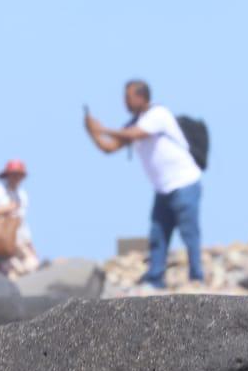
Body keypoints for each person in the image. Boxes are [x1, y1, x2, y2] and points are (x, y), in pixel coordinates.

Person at [84, 79, 204, 288]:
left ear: (141, 96)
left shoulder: (158, 115)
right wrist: (92, 132)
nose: (125, 102)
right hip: (162, 189)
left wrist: (102, 128)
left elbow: (135, 134)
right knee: (158, 234)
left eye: (128, 97)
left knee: (189, 233)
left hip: (184, 183)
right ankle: (155, 278)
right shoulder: (134, 123)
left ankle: (197, 276)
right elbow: (109, 148)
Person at [0, 160, 40, 278]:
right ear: (8, 175)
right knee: (9, 275)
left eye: (19, 174)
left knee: (32, 265)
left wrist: (30, 245)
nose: (16, 177)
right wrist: (6, 208)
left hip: (17, 242)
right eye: (13, 174)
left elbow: (22, 223)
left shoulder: (22, 195)